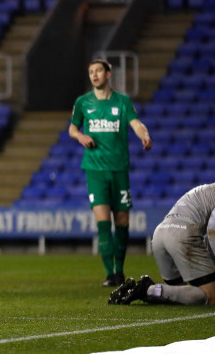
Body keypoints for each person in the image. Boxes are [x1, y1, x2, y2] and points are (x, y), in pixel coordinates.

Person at [68, 59, 152, 287]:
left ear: (108, 74)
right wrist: (81, 136)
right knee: (103, 221)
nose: (94, 75)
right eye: (90, 72)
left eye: (98, 71)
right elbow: (73, 128)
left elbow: (136, 123)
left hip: (119, 169)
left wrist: (143, 135)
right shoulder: (83, 102)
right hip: (94, 169)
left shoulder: (122, 102)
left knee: (122, 219)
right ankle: (110, 274)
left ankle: (120, 270)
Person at [109, 183, 215, 306]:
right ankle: (148, 289)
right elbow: (212, 232)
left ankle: (144, 291)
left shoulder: (206, 189)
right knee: (211, 297)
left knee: (178, 294)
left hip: (160, 233)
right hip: (182, 234)